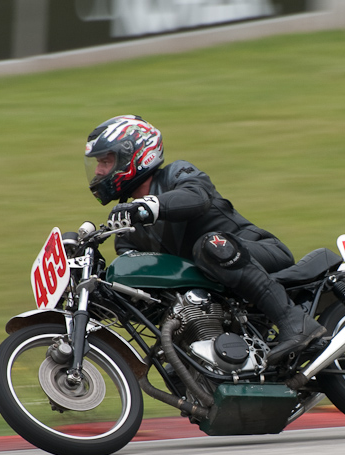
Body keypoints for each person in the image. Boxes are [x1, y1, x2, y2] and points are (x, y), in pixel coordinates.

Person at [84, 115, 326, 364]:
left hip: (258, 253)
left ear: (133, 156)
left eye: (105, 161)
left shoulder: (177, 174)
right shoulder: (128, 230)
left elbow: (197, 197)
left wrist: (149, 207)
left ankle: (295, 322)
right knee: (175, 369)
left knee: (209, 246)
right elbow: (145, 296)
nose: (99, 171)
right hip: (219, 291)